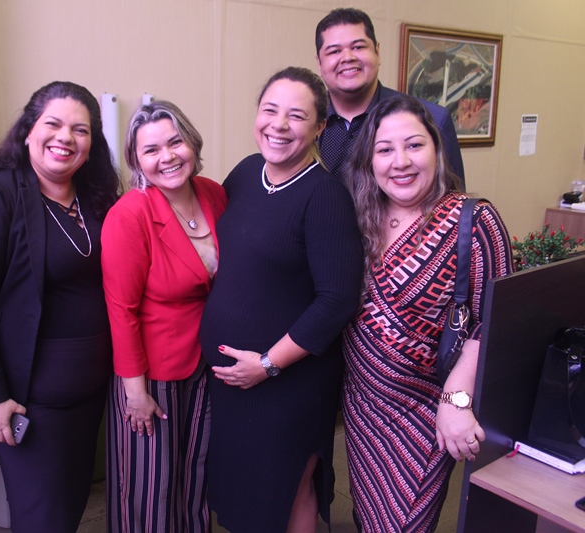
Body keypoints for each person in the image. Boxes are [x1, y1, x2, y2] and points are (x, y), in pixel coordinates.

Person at [0, 81, 121, 533]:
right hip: (28, 400)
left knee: (72, 504)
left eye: (80, 130)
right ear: (28, 131)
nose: (66, 137)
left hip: (90, 394)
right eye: (53, 124)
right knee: (42, 517)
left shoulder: (97, 197)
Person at [200, 67, 363, 533]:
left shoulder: (325, 197)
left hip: (288, 381)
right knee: (246, 492)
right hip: (233, 382)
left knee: (289, 487)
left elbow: (336, 301)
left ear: (320, 127)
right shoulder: (245, 173)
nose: (279, 125)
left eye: (297, 116)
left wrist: (269, 364)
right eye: (270, 110)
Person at [342, 93, 513, 532]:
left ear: (437, 149)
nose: (400, 162)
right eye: (385, 149)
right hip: (364, 406)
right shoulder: (357, 216)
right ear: (369, 161)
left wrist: (456, 400)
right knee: (369, 517)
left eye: (415, 145)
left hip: (429, 409)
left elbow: (495, 321)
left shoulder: (473, 220)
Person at [102, 101, 227, 532]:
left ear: (192, 143)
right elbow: (121, 310)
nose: (168, 156)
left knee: (196, 479)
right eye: (151, 150)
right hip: (151, 372)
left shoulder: (213, 194)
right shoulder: (130, 214)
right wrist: (134, 392)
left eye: (175, 142)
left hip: (206, 362)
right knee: (149, 489)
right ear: (136, 159)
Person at [315, 7, 466, 187]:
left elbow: (452, 200)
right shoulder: (303, 124)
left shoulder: (433, 120)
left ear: (377, 52)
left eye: (358, 47)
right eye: (334, 51)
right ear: (319, 63)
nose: (347, 57)